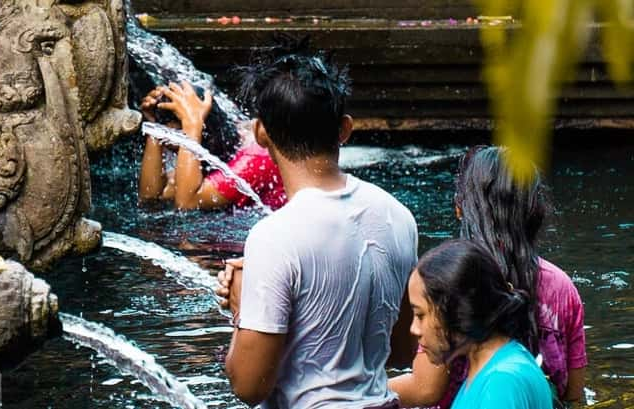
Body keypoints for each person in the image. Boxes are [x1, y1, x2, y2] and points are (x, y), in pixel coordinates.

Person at [215, 51, 419, 408]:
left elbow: (249, 387)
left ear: (261, 133)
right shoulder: (398, 216)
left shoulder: (274, 237)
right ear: (344, 129)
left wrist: (241, 309)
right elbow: (401, 350)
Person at [388, 146, 587, 408]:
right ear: (534, 211)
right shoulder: (562, 286)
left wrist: (351, 392)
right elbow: (573, 396)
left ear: (461, 208)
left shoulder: (454, 281)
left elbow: (426, 390)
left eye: (421, 316)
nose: (416, 327)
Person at [409, 239, 553, 409]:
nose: (414, 329)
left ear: (457, 311)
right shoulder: (489, 371)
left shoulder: (502, 383)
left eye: (420, 315)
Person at [138, 82, 287, 211]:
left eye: (177, 134)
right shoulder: (212, 152)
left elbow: (186, 204)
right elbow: (151, 200)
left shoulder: (252, 156)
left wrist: (192, 124)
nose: (169, 142)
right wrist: (155, 127)